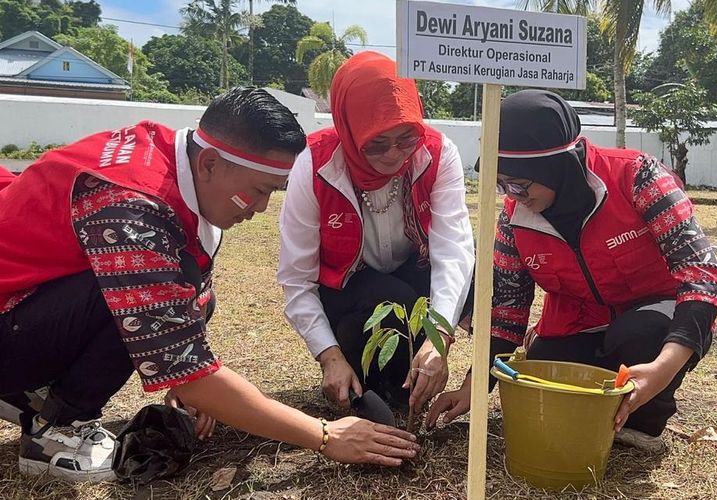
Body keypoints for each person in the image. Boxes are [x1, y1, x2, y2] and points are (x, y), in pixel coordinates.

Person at [0, 88, 420, 483]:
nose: (260, 209)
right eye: (258, 191)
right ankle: (53, 431)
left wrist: (196, 381)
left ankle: (33, 393)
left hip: (26, 304)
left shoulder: (169, 156)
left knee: (193, 295)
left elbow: (186, 311)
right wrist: (326, 436)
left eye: (272, 192)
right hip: (13, 315)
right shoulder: (132, 209)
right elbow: (183, 367)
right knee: (135, 296)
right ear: (210, 164)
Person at [426, 89, 717, 452]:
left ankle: (643, 421)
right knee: (542, 372)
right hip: (577, 322)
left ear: (556, 167)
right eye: (501, 183)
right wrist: (472, 388)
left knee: (643, 333)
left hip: (652, 317)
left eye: (519, 183)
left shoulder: (636, 177)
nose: (512, 195)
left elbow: (702, 273)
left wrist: (664, 367)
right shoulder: (513, 219)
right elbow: (506, 313)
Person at [278, 52, 474, 414]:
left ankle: (414, 380)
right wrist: (329, 357)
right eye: (376, 143)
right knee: (390, 299)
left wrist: (439, 339)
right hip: (347, 288)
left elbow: (454, 249)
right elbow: (297, 279)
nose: (395, 155)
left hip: (413, 270)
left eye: (406, 137)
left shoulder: (436, 152)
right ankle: (370, 371)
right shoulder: (315, 165)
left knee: (478, 282)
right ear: (349, 130)